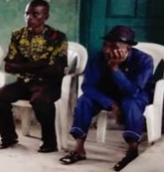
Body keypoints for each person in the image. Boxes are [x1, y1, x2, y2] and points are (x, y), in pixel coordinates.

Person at [59, 26, 154, 171]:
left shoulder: (144, 60)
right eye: (106, 45)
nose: (107, 50)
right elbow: (88, 86)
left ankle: (132, 151)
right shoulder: (98, 58)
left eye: (114, 46)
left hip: (135, 95)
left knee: (131, 103)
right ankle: (79, 149)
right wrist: (111, 105)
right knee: (85, 100)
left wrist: (115, 69)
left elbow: (133, 91)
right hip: (107, 94)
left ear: (128, 47)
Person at [0, 0, 68, 153]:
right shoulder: (18, 35)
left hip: (48, 84)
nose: (29, 18)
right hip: (24, 82)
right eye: (27, 14)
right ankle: (8, 136)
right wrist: (40, 65)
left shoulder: (57, 37)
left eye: (35, 14)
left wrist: (24, 66)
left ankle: (49, 141)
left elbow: (56, 69)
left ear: (46, 16)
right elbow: (9, 66)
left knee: (40, 100)